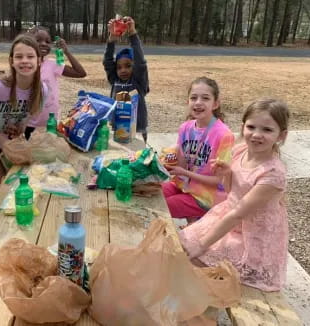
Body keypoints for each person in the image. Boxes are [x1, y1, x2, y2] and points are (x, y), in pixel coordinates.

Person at [180, 98, 290, 291]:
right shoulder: (240, 150)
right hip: (229, 217)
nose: (256, 135)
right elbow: (233, 192)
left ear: (281, 135)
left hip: (253, 235)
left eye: (267, 130)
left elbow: (239, 212)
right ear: (242, 127)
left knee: (198, 257)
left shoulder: (273, 174)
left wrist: (203, 244)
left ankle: (204, 309)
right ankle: (200, 304)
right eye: (251, 127)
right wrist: (226, 174)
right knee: (184, 247)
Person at [162, 77, 235, 223]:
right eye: (193, 97)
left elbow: (218, 181)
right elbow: (181, 166)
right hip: (184, 185)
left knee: (161, 208)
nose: (198, 102)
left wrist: (184, 172)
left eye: (205, 98)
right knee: (151, 193)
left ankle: (194, 223)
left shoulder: (224, 135)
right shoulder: (185, 128)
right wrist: (168, 162)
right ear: (187, 102)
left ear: (215, 104)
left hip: (207, 196)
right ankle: (192, 223)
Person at [0, 34, 48, 188]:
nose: (25, 61)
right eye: (19, 57)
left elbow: (29, 118)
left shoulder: (42, 90)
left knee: (18, 185)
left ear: (39, 61)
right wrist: (1, 140)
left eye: (30, 56)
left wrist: (19, 130)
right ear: (11, 61)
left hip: (15, 141)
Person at [26, 26, 87, 134]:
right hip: (29, 124)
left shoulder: (53, 64)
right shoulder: (24, 66)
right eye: (38, 40)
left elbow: (80, 73)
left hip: (50, 123)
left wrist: (66, 51)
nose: (44, 43)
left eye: (47, 41)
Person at [103, 16, 149, 142]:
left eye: (128, 66)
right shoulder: (115, 80)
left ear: (134, 66)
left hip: (137, 128)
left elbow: (140, 62)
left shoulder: (138, 81)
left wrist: (132, 34)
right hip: (118, 127)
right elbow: (108, 62)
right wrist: (112, 39)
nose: (123, 70)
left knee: (137, 157)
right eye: (119, 67)